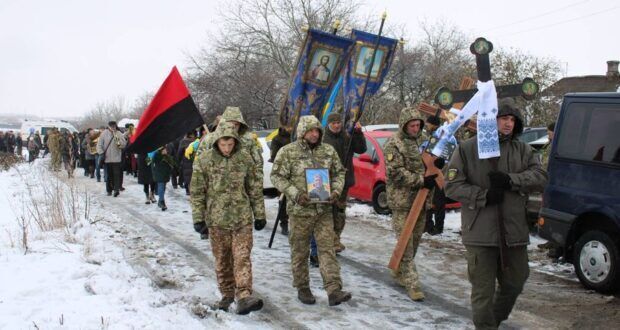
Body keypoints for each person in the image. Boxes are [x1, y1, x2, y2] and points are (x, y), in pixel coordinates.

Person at [445, 100, 547, 330]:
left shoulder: (523, 149)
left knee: (515, 282)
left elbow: (541, 176)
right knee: (482, 294)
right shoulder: (468, 149)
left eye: (512, 120)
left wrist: (512, 180)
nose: (508, 124)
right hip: (480, 232)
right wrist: (483, 196)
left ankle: (493, 322)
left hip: (513, 231)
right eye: (503, 118)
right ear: (491, 120)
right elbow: (451, 186)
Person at [271, 115, 352, 306]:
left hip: (323, 211)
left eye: (317, 131)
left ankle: (334, 290)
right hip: (300, 211)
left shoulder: (328, 151)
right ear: (302, 132)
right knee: (300, 251)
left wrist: (336, 190)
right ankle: (302, 287)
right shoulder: (288, 152)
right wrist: (295, 193)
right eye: (310, 131)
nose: (314, 134)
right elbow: (277, 176)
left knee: (327, 250)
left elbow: (340, 172)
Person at [190, 122, 266, 314]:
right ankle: (226, 295)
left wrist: (259, 214)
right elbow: (197, 190)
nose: (226, 148)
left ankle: (244, 296)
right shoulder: (205, 159)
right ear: (216, 142)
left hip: (241, 218)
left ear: (235, 142)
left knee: (242, 257)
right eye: (223, 145)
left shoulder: (244, 158)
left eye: (230, 144)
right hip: (217, 220)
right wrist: (198, 218)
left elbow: (254, 188)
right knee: (222, 260)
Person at [384, 107, 437, 302]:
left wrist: (436, 166)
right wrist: (421, 180)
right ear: (404, 125)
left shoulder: (423, 142)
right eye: (412, 125)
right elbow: (395, 173)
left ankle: (399, 270)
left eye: (418, 125)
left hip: (421, 200)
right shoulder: (394, 144)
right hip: (402, 201)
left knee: (414, 240)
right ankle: (412, 284)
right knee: (405, 241)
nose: (416, 128)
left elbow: (432, 162)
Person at [322, 112, 366, 252]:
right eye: (333, 123)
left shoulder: (347, 136)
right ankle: (328, 240)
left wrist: (358, 133)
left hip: (344, 181)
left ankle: (336, 238)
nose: (336, 125)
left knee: (340, 211)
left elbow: (361, 149)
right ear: (329, 124)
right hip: (326, 181)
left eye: (338, 123)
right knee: (328, 211)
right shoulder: (323, 139)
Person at [423, 115, 447, 235]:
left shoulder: (443, 136)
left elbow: (447, 155)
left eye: (428, 123)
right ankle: (428, 225)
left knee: (438, 202)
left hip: (439, 173)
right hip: (431, 171)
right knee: (428, 200)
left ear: (433, 124)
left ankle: (437, 228)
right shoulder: (433, 136)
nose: (426, 126)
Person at [269, 126, 293, 235]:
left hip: (296, 172)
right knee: (283, 200)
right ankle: (284, 223)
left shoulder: (296, 137)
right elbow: (274, 156)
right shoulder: (277, 139)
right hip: (282, 172)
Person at [97, 121, 127, 197]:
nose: (113, 127)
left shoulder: (118, 133)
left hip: (116, 159)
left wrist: (118, 141)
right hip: (107, 159)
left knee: (116, 175)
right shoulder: (104, 133)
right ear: (108, 126)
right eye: (111, 126)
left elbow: (123, 144)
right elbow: (99, 144)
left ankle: (116, 190)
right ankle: (109, 190)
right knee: (109, 176)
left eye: (114, 126)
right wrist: (101, 152)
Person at [150, 147, 175, 211]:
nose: (165, 150)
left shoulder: (167, 154)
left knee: (163, 187)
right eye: (163, 149)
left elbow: (171, 163)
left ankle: (160, 201)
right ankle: (161, 202)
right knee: (161, 186)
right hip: (159, 173)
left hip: (165, 174)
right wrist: (158, 152)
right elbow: (152, 161)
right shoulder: (156, 154)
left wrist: (166, 155)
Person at [177, 130, 198, 196]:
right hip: (194, 161)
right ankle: (190, 190)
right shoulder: (197, 141)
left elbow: (179, 153)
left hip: (186, 161)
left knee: (187, 176)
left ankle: (188, 189)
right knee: (192, 176)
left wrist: (179, 161)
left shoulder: (183, 141)